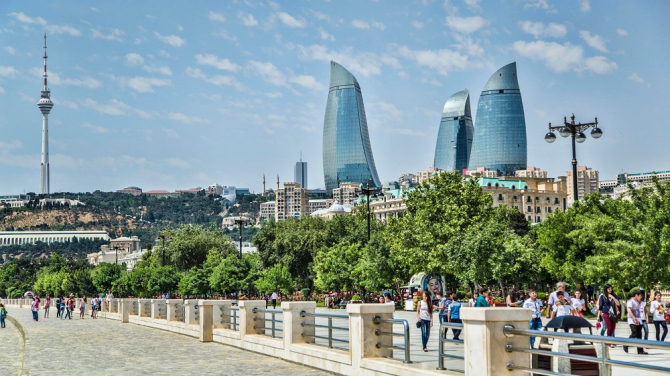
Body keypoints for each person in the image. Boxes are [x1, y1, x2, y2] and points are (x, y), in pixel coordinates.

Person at [623, 290, 647, 354]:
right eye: (640, 295)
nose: (641, 297)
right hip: (632, 319)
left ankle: (640, 350)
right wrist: (634, 318)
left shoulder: (638, 302)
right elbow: (629, 310)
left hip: (639, 319)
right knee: (634, 333)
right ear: (636, 295)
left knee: (639, 335)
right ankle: (626, 344)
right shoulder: (630, 301)